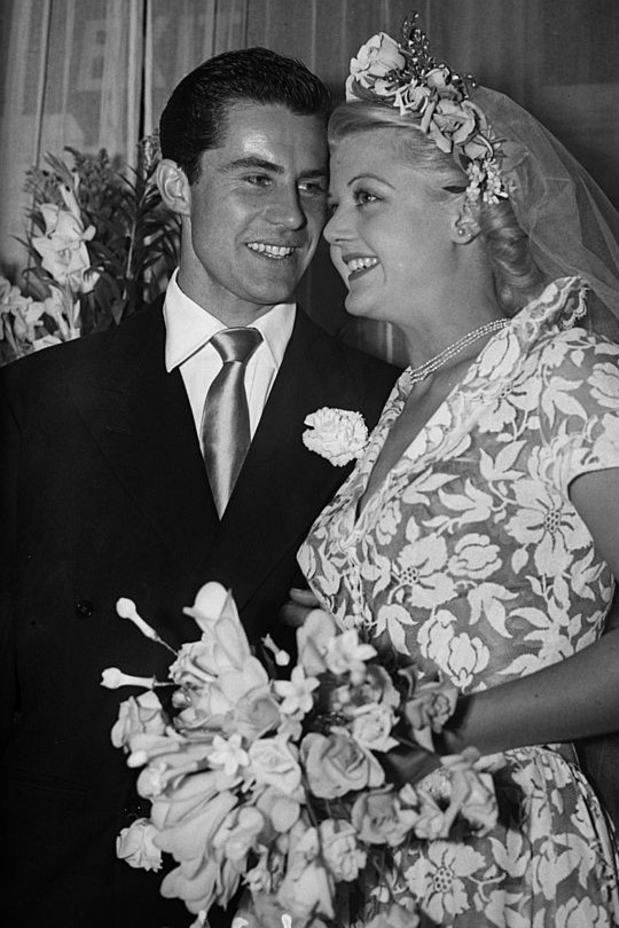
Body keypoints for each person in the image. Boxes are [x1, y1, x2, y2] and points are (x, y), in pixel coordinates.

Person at [293, 20, 619, 928]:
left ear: (462, 208)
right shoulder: (403, 397)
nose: (330, 231)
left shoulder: (563, 375)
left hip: (504, 858)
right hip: (369, 852)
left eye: (363, 198)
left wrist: (446, 728)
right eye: (334, 204)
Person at [0, 47, 397, 928]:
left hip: (298, 889)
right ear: (178, 188)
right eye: (255, 177)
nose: (291, 218)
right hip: (65, 883)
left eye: (311, 185)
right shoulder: (39, 400)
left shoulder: (386, 408)